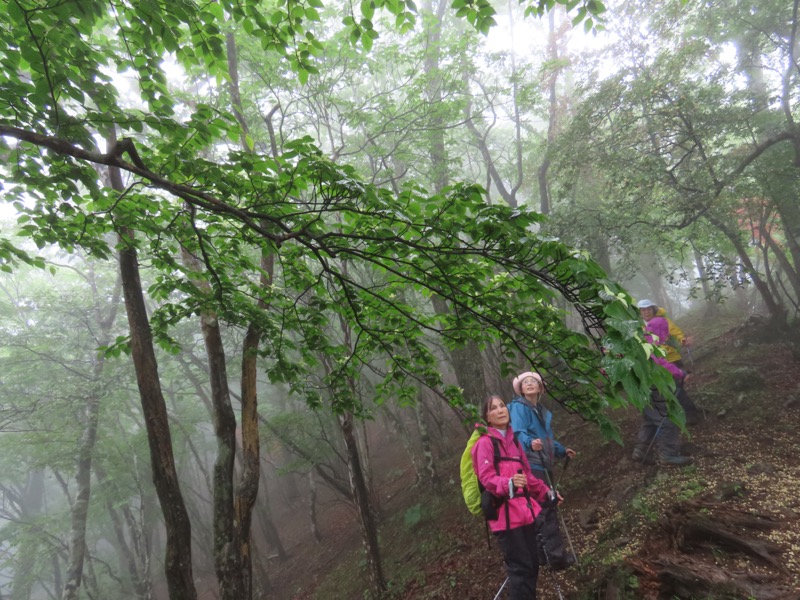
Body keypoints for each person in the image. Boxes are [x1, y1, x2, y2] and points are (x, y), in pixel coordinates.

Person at [472, 395, 557, 600]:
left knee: (532, 565)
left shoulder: (514, 441)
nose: (500, 410)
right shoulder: (485, 443)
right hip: (505, 518)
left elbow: (526, 475)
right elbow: (486, 478)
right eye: (493, 408)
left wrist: (546, 491)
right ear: (487, 417)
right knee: (521, 570)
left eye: (502, 406)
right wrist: (508, 483)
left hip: (525, 513)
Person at [508, 371, 576, 569]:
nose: (529, 384)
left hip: (542, 462)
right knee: (547, 507)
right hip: (532, 464)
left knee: (540, 509)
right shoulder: (519, 408)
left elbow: (545, 438)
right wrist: (530, 443)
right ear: (520, 389)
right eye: (525, 382)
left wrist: (562, 450)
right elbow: (518, 433)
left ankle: (542, 555)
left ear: (540, 388)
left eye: (533, 381)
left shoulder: (539, 410)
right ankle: (556, 558)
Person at [632, 312, 693, 466]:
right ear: (659, 330)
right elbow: (660, 362)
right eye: (664, 331)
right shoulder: (649, 344)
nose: (666, 336)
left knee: (650, 419)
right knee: (666, 419)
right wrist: (680, 373)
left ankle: (640, 451)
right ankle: (668, 456)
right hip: (650, 387)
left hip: (640, 389)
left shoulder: (642, 341)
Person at [636, 299, 700, 424]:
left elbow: (676, 332)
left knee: (676, 388)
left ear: (653, 310)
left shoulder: (662, 320)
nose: (646, 312)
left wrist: (683, 340)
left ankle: (691, 415)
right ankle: (677, 415)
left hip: (671, 359)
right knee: (667, 390)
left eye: (648, 309)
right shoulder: (640, 326)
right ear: (640, 312)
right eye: (643, 310)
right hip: (655, 361)